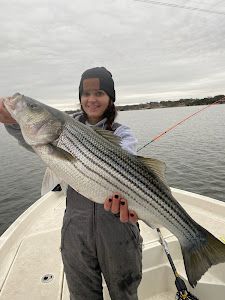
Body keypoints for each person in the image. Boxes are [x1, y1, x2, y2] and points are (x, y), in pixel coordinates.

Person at [0, 67, 143, 300]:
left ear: (110, 98)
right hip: (75, 229)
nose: (91, 99)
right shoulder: (58, 127)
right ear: (79, 98)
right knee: (82, 295)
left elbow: (128, 155)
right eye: (86, 94)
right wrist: (12, 120)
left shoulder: (123, 133)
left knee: (124, 294)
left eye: (99, 93)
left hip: (119, 226)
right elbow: (32, 138)